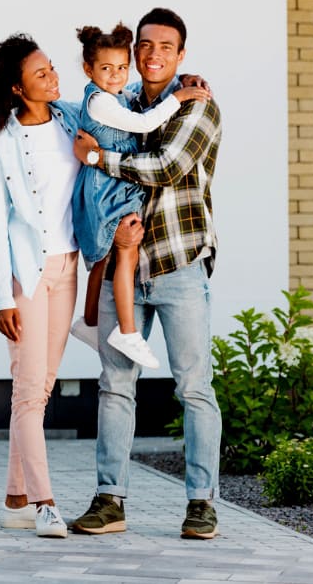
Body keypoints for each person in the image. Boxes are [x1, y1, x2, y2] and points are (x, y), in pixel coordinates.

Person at [71, 7, 222, 540]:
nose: (152, 54)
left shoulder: (198, 107)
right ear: (134, 51)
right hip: (125, 268)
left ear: (181, 56)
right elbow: (80, 119)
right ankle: (110, 499)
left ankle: (202, 504)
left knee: (194, 389)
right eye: (145, 45)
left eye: (165, 47)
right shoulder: (118, 100)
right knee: (115, 385)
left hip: (178, 266)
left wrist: (97, 161)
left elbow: (165, 168)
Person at [0, 33, 83, 539]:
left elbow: (120, 106)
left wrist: (182, 88)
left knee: (40, 389)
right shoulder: (1, 145)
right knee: (28, 392)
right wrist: (0, 298)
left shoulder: (72, 120)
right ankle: (44, 503)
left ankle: (14, 498)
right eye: (42, 74)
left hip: (69, 268)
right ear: (17, 88)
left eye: (53, 68)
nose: (54, 77)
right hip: (28, 278)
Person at [72, 24, 210, 369]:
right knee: (124, 252)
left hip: (161, 242)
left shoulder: (119, 94)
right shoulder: (106, 102)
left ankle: (89, 323)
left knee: (104, 258)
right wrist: (178, 96)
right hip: (109, 190)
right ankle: (126, 331)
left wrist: (182, 81)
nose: (117, 75)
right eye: (107, 69)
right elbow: (145, 123)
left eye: (121, 68)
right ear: (89, 70)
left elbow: (166, 164)